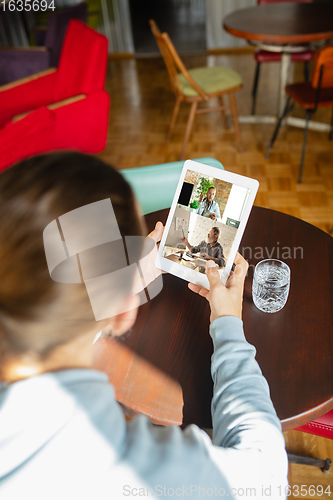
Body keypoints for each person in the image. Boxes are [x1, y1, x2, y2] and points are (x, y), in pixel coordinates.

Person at [0, 152, 288, 500]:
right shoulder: (132, 468)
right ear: (124, 314)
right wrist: (227, 323)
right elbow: (268, 475)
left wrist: (123, 285)